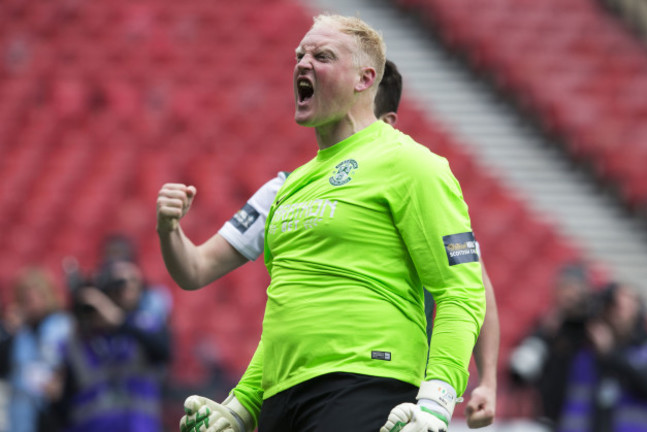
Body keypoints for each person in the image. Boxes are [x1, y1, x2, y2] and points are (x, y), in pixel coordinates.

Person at [159, 14, 486, 432]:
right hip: (283, 400)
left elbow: (462, 292)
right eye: (300, 54)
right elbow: (290, 314)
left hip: (367, 387)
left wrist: (437, 403)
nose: (302, 63)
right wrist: (241, 407)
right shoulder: (290, 188)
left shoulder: (412, 164)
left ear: (365, 78)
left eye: (322, 55)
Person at [52, 260, 172, 432]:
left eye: (134, 281)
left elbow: (164, 352)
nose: (127, 288)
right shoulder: (78, 340)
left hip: (138, 426)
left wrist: (118, 321)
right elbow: (65, 400)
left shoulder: (146, 325)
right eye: (119, 283)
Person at [509, 263, 595, 427]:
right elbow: (519, 371)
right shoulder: (548, 326)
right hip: (549, 414)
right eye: (565, 288)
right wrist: (544, 333)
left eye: (575, 289)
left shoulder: (593, 326)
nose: (570, 295)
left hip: (586, 416)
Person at [557, 282, 647, 432]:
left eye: (628, 305)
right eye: (613, 306)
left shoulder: (645, 350)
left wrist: (610, 353)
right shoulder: (585, 352)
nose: (618, 312)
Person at [4, 266, 73, 432]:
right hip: (23, 410)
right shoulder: (17, 332)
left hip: (56, 409)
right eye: (25, 300)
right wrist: (8, 334)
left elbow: (72, 363)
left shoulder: (63, 325)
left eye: (34, 298)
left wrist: (60, 381)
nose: (30, 305)